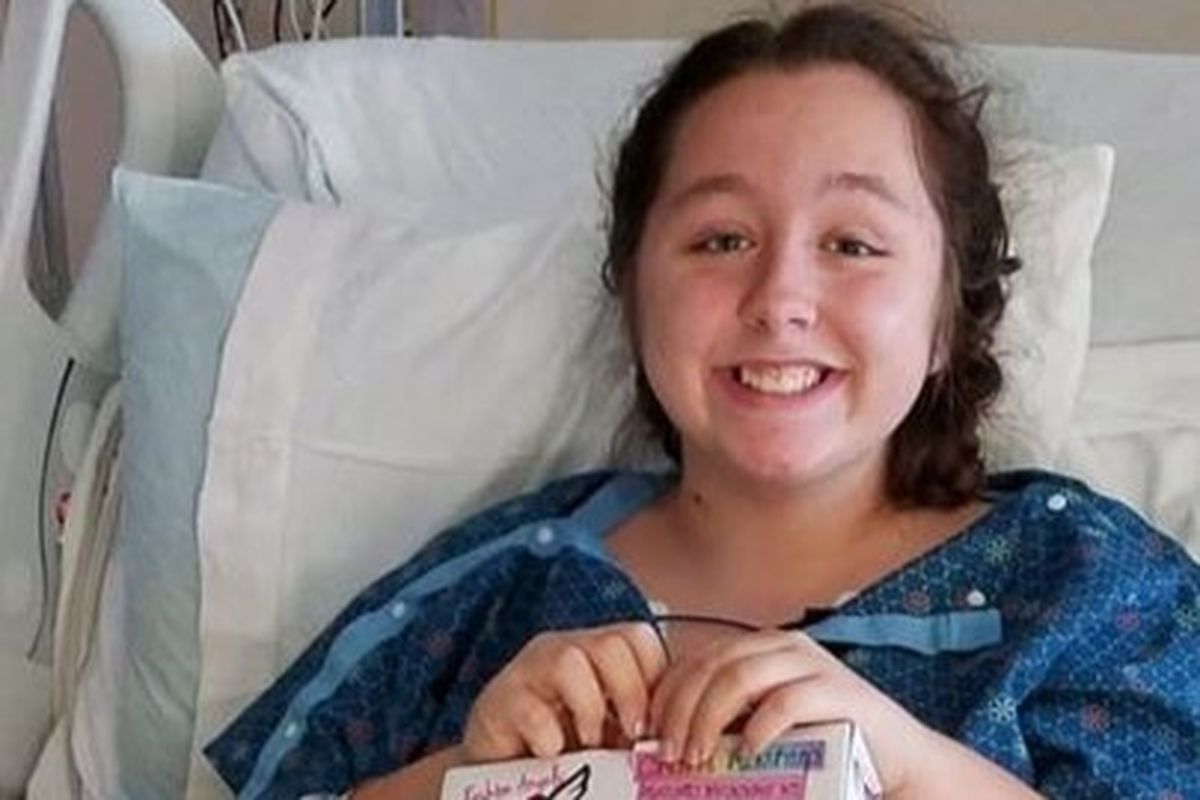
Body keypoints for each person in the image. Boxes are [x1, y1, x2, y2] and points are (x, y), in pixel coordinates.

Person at [204, 4, 1200, 798]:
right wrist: (465, 777)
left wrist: (912, 769)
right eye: (722, 239)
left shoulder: (1084, 587)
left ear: (948, 317)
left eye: (852, 244)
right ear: (634, 293)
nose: (780, 298)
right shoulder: (495, 587)